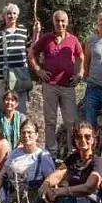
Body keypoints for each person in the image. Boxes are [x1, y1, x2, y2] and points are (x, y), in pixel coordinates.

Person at [35, 121, 102, 203]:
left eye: (87, 136)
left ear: (93, 140)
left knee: (64, 202)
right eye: (79, 136)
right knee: (43, 200)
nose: (83, 139)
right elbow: (57, 174)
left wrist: (63, 191)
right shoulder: (73, 159)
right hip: (71, 202)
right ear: (75, 140)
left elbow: (89, 187)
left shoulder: (97, 162)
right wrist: (46, 185)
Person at [29, 10, 85, 156]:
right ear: (53, 22)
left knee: (71, 121)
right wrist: (38, 70)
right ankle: (51, 152)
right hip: (50, 86)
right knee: (50, 121)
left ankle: (72, 152)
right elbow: (31, 53)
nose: (60, 24)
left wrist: (79, 74)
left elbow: (81, 57)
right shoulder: (46, 38)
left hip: (68, 86)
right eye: (57, 21)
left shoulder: (73, 40)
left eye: (63, 21)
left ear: (67, 22)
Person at [0, 3, 33, 113]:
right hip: (1, 76)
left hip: (20, 76)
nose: (11, 16)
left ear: (17, 15)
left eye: (14, 13)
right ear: (4, 15)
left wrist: (36, 33)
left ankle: (20, 129)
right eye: (9, 13)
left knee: (21, 107)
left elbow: (31, 50)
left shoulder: (24, 31)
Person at [0, 90, 28, 180]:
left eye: (12, 100)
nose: (9, 102)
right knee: (3, 143)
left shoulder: (21, 118)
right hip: (3, 153)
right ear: (3, 101)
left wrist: (12, 155)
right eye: (7, 99)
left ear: (16, 103)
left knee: (4, 145)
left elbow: (22, 142)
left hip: (17, 153)